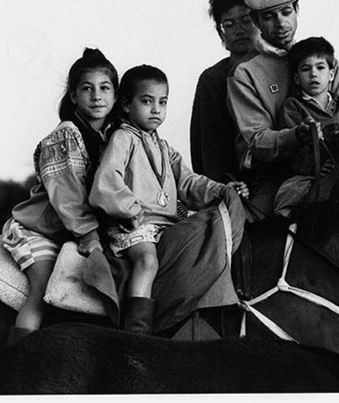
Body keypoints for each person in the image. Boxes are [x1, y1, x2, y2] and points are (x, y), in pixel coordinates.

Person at [89, 65, 248, 335]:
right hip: (132, 224)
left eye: (162, 102)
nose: (156, 109)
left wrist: (221, 190)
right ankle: (135, 335)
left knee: (203, 245)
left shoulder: (164, 147)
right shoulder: (123, 138)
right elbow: (105, 182)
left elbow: (188, 182)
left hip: (163, 226)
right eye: (147, 101)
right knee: (147, 261)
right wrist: (131, 209)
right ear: (126, 105)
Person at [227, 0, 339, 220]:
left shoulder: (319, 58)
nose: (281, 23)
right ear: (255, 20)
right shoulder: (244, 73)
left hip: (337, 160)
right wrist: (296, 135)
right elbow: (258, 140)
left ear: (297, 9)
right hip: (278, 175)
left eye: (286, 12)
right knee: (267, 229)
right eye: (269, 16)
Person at [0, 48, 119, 343]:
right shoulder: (66, 134)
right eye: (87, 88)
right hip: (37, 228)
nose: (97, 96)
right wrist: (90, 237)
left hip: (67, 230)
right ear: (73, 96)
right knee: (40, 289)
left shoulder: (113, 136)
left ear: (116, 97)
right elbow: (67, 197)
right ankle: (18, 360)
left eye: (105, 88)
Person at [274, 36, 339, 217]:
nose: (313, 74)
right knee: (289, 194)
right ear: (296, 78)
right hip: (311, 174)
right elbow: (293, 153)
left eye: (320, 68)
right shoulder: (293, 107)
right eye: (306, 69)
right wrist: (317, 167)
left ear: (331, 74)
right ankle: (288, 233)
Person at [189, 0, 260, 183]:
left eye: (246, 20)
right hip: (237, 188)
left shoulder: (285, 67)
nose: (238, 30)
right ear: (222, 35)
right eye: (228, 24)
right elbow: (207, 154)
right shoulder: (213, 80)